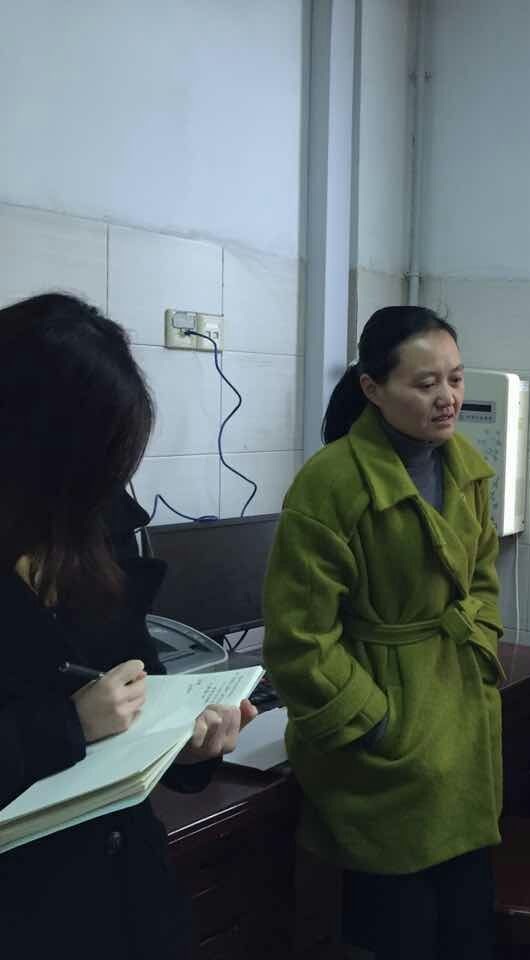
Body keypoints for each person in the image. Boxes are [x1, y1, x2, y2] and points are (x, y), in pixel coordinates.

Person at [0, 293, 256, 959]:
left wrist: (189, 744)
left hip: (127, 892)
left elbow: (140, 676)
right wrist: (68, 725)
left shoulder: (95, 526)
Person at [262, 306, 504, 960]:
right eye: (425, 384)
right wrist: (373, 723)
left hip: (460, 720)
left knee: (466, 929)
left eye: (455, 379)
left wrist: (481, 649)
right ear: (372, 388)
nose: (447, 398)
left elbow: (483, 578)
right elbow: (298, 637)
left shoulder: (465, 466)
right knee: (400, 932)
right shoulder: (330, 484)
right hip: (384, 744)